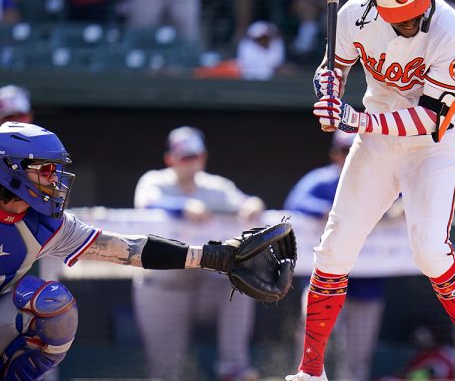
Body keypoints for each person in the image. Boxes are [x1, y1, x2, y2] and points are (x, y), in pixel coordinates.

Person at [290, 0, 455, 380]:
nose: (411, 23)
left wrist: (355, 120)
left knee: (428, 250)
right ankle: (310, 371)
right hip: (377, 142)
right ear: (377, 9)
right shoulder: (353, 15)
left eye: (415, 12)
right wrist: (328, 88)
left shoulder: (451, 29)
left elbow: (430, 115)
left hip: (432, 145)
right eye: (400, 18)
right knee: (334, 249)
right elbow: (332, 68)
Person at [0, 121, 281, 380]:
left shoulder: (48, 224)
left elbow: (129, 249)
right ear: (9, 169)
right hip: (161, 292)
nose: (55, 181)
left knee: (51, 305)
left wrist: (210, 256)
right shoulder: (155, 182)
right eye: (46, 170)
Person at [132, 126, 265, 381]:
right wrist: (183, 207)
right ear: (170, 159)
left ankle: (233, 369)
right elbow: (146, 204)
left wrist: (253, 204)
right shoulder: (154, 180)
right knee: (165, 372)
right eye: (184, 157)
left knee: (239, 282)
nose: (190, 163)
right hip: (163, 287)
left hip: (205, 285)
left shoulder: (214, 186)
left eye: (194, 157)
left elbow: (248, 202)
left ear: (203, 157)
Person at [285, 131, 390, 380]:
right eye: (345, 151)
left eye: (355, 150)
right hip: (324, 280)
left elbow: (404, 203)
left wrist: (393, 212)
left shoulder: (383, 180)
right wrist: (326, 211)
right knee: (310, 341)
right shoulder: (320, 181)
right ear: (335, 154)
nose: (350, 156)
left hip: (366, 284)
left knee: (357, 358)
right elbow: (294, 204)